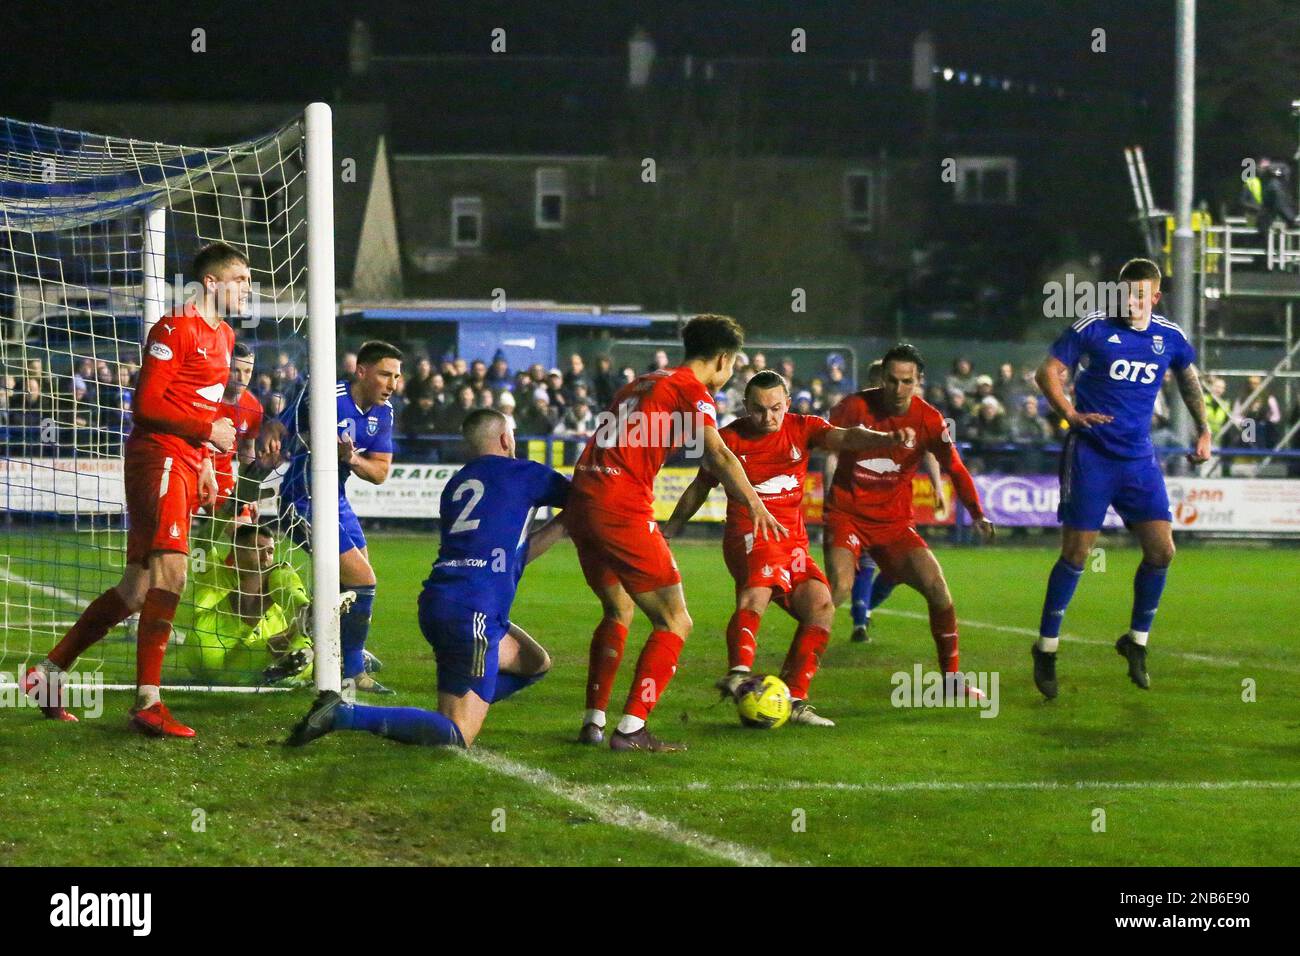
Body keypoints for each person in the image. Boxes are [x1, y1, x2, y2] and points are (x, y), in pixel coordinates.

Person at [21, 242, 244, 735]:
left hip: (186, 459)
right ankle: (148, 701)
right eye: (240, 280)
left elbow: (199, 404)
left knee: (137, 589)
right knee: (173, 574)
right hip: (159, 457)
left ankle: (46, 675)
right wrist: (207, 433)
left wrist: (205, 459)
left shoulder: (225, 336)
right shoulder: (174, 328)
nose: (247, 290)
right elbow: (145, 405)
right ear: (211, 282)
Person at [287, 409, 570, 748]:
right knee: (458, 734)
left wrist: (562, 526)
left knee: (535, 663)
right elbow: (588, 497)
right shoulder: (526, 474)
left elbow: (511, 557)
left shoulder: (456, 485)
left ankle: (458, 704)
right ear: (506, 439)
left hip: (441, 601)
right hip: (475, 611)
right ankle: (343, 714)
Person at [568, 314, 784, 752]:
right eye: (733, 364)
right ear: (723, 358)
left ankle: (593, 722)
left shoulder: (642, 383)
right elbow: (719, 455)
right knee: (674, 619)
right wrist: (756, 504)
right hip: (619, 504)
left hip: (585, 496)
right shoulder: (691, 389)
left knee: (618, 609)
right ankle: (631, 729)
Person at [662, 370, 911, 726]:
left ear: (788, 404)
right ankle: (738, 672)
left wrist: (885, 439)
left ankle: (794, 699)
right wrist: (670, 530)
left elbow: (847, 436)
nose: (769, 418)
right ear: (746, 407)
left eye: (776, 408)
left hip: (791, 541)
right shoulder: (729, 439)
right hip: (748, 533)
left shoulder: (803, 427)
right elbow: (700, 488)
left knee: (822, 605)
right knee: (757, 594)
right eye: (760, 410)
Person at [1031, 258, 1212, 699]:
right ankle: (1047, 648)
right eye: (1124, 292)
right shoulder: (1093, 326)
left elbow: (1188, 381)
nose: (1130, 301)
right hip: (1092, 454)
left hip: (1138, 460)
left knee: (1162, 550)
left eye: (1139, 293)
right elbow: (1047, 372)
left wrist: (1204, 428)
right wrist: (1071, 414)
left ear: (1155, 295)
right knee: (1077, 553)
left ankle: (1135, 640)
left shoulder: (1169, 336)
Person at [823, 344, 994, 689]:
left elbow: (955, 467)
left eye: (906, 382)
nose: (898, 389)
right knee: (840, 586)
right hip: (847, 515)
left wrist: (977, 512)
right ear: (882, 378)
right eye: (892, 380)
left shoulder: (929, 419)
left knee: (937, 588)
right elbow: (818, 441)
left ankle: (951, 680)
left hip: (894, 524)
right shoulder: (853, 407)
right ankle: (794, 677)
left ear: (919, 381)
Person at [280, 339, 402, 697]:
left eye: (396, 376)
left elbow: (380, 472)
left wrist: (349, 459)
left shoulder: (384, 413)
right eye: (385, 374)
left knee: (353, 583)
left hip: (336, 500)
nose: (392, 383)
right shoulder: (326, 396)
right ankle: (351, 669)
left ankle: (304, 644)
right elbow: (279, 428)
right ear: (361, 371)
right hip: (301, 499)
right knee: (362, 580)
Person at [826, 358, 949, 644]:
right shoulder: (855, 411)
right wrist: (832, 489)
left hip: (893, 508)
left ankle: (864, 610)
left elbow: (930, 451)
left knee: (896, 573)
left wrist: (937, 488)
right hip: (857, 507)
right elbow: (831, 450)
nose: (892, 388)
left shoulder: (916, 414)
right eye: (885, 381)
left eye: (903, 381)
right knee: (858, 570)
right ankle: (856, 622)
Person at [180, 523, 313, 686]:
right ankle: (307, 609)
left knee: (298, 643)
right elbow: (201, 541)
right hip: (210, 644)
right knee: (280, 569)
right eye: (257, 549)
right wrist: (226, 508)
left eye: (270, 552)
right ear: (236, 549)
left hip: (238, 667)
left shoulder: (275, 601)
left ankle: (280, 672)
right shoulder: (213, 571)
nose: (266, 558)